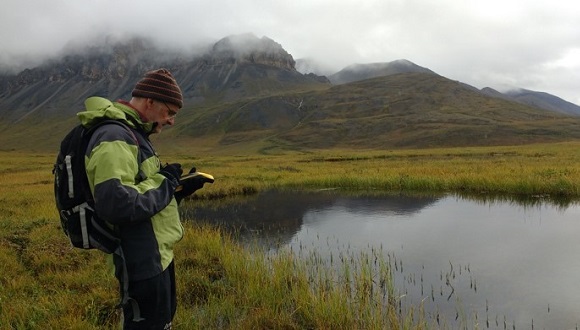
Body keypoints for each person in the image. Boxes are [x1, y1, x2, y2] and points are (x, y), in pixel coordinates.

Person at [78, 68, 201, 329]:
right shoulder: (114, 137)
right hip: (140, 261)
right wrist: (165, 181)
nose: (171, 121)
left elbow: (142, 198)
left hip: (157, 255)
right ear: (150, 102)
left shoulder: (134, 134)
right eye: (170, 112)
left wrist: (178, 191)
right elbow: (117, 203)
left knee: (163, 322)